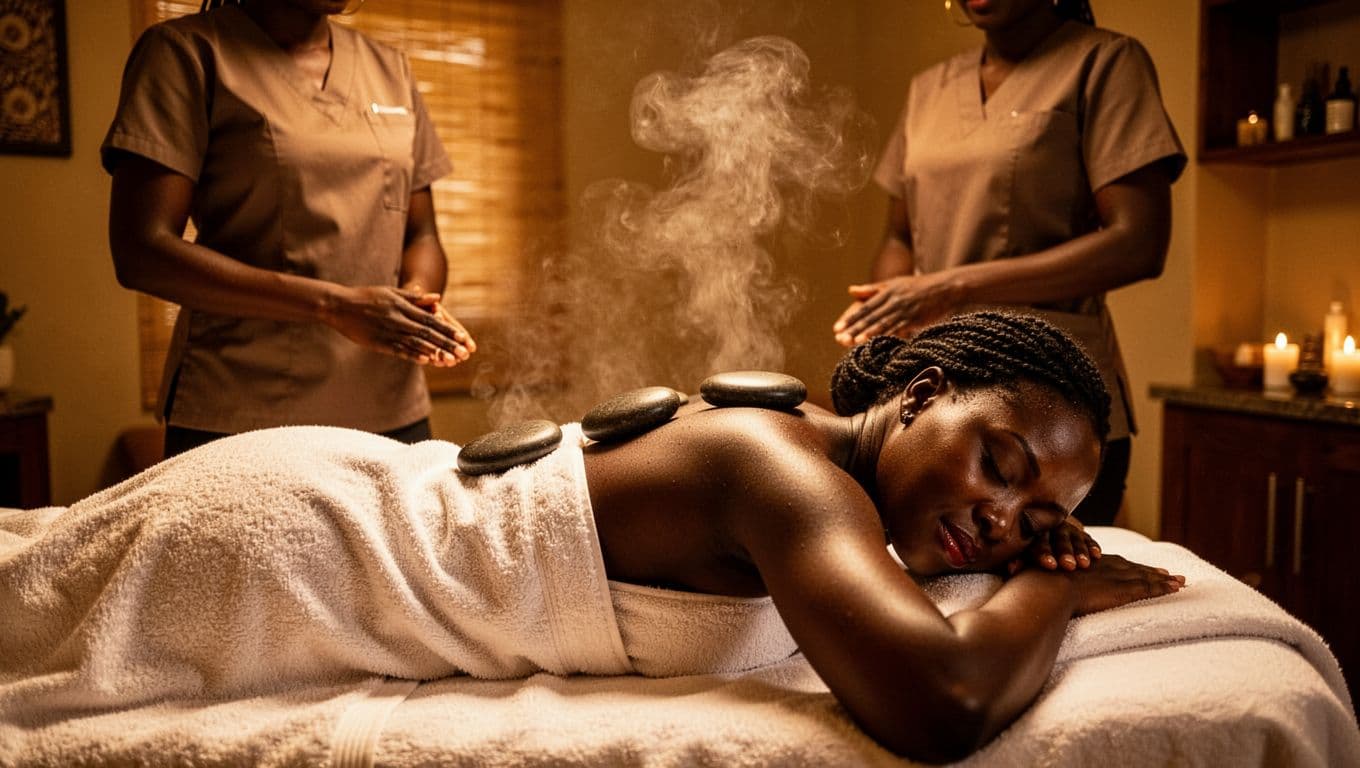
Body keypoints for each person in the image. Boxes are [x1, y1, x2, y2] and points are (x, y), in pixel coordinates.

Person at [0, 311, 1183, 763]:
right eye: (1000, 465)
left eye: (1040, 526)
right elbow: (942, 704)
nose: (1003, 522)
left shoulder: (823, 486)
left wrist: (1028, 562)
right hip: (294, 538)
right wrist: (1064, 588)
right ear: (921, 395)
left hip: (306, 516)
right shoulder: (783, 471)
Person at [833, 0, 1186, 526]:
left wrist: (949, 288)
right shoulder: (929, 88)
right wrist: (890, 314)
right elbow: (898, 237)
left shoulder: (1105, 62)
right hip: (939, 402)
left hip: (1053, 418)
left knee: (1046, 567)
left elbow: (1137, 243)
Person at [102, 0, 476, 458]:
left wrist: (412, 308)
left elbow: (422, 235)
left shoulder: (389, 68)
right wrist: (334, 306)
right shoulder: (186, 52)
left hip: (391, 411)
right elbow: (142, 250)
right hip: (245, 415)